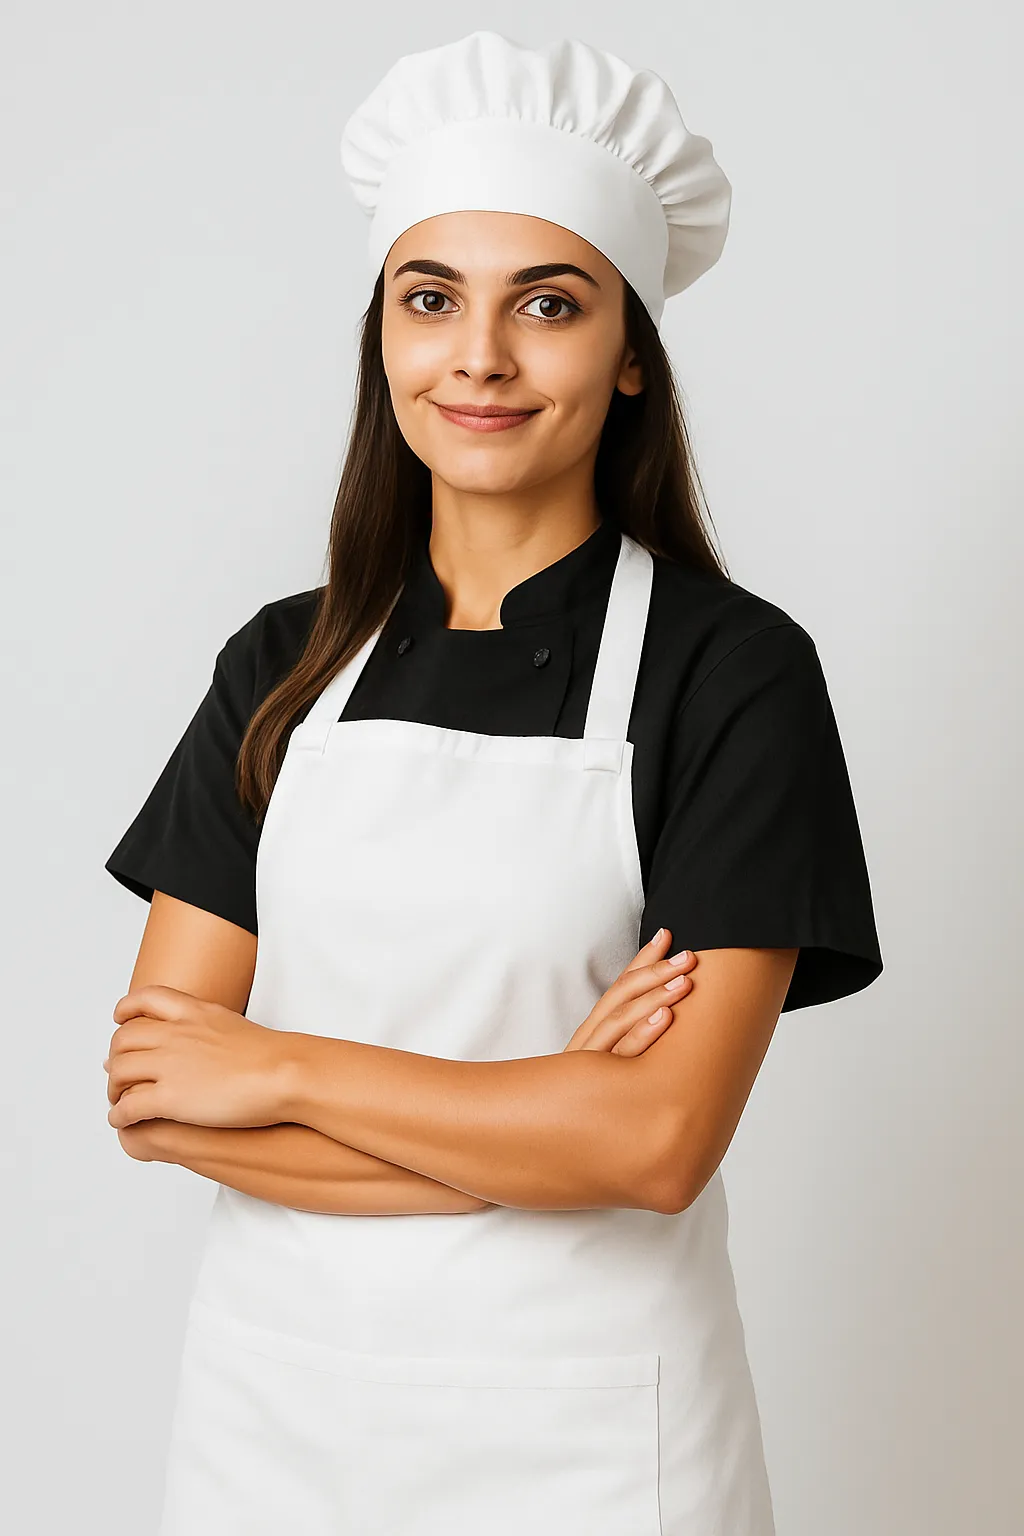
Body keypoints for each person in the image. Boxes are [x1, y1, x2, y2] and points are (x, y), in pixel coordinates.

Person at [102, 30, 883, 1536]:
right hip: (276, 1419)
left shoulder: (732, 675)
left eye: (549, 302)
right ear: (384, 337)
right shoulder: (279, 664)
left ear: (630, 351)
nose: (479, 357)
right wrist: (538, 1124)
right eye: (431, 298)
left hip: (592, 1437)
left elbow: (656, 1146)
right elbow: (156, 1098)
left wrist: (281, 1069)